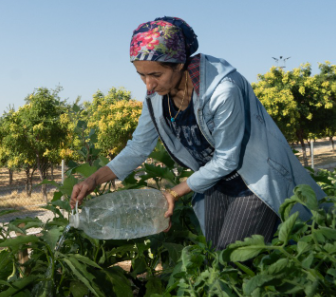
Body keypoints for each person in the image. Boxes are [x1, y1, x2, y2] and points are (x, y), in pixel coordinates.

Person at [70, 16, 327, 250]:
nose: (148, 85)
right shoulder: (155, 97)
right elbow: (138, 147)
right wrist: (94, 179)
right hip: (214, 182)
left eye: (156, 75)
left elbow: (228, 159)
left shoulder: (223, 91)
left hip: (255, 180)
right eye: (141, 75)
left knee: (233, 258)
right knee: (215, 257)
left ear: (179, 63)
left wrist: (173, 192)